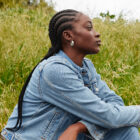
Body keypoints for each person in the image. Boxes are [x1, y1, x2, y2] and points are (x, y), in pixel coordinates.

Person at [1, 9, 140, 140]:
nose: (97, 34)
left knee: (126, 132)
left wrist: (81, 126)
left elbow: (115, 104)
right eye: (89, 28)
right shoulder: (55, 70)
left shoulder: (86, 66)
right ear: (68, 36)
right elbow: (110, 116)